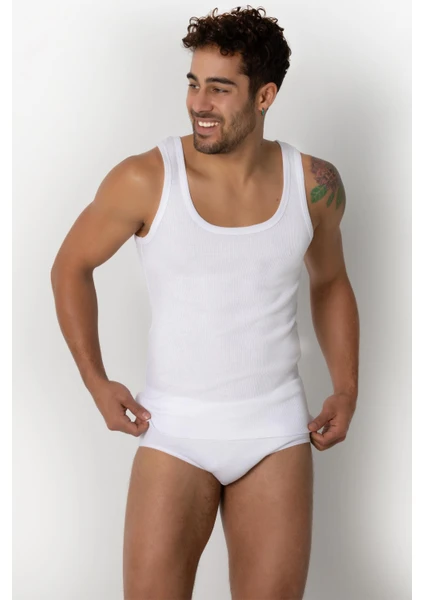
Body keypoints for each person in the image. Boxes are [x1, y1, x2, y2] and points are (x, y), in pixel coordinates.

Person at [51, 6, 359, 599]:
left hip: (274, 432)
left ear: (265, 96)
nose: (199, 103)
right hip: (174, 430)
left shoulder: (314, 185)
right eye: (193, 83)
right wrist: (96, 381)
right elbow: (71, 266)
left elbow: (330, 282)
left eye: (219, 88)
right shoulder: (146, 178)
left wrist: (346, 389)